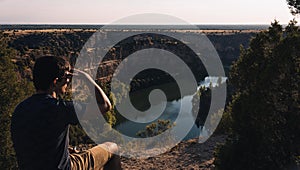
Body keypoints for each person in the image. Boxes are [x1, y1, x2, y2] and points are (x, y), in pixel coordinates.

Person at [11, 56, 122, 170]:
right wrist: (86, 77)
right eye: (67, 77)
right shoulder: (60, 108)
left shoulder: (20, 109)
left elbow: (38, 143)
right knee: (112, 148)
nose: (69, 81)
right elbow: (105, 105)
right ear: (55, 81)